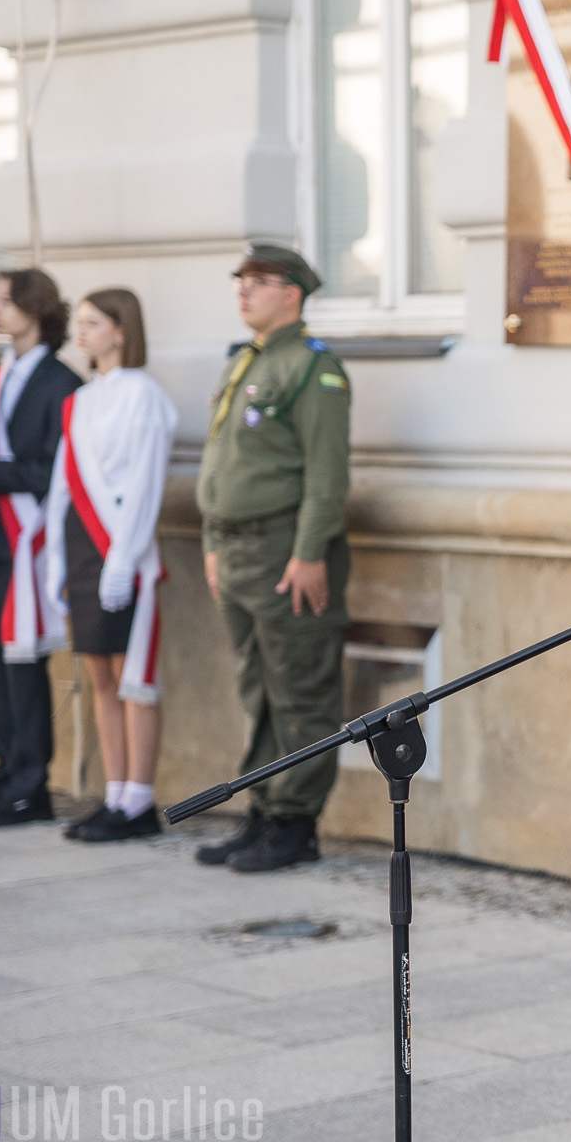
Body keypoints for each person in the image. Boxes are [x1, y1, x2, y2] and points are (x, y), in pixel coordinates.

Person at [192, 245, 352, 874]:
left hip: (283, 549)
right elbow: (220, 468)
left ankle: (295, 822)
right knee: (257, 686)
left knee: (300, 688)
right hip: (235, 548)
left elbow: (326, 474)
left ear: (292, 293)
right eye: (241, 281)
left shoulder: (313, 369)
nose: (243, 292)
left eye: (258, 282)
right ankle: (263, 805)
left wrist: (310, 553)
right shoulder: (248, 363)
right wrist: (210, 544)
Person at [45, 288, 177, 842]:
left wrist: (123, 558)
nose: (83, 332)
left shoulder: (142, 395)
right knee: (99, 674)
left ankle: (139, 800)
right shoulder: (83, 397)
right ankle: (114, 791)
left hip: (121, 546)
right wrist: (53, 560)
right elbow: (60, 485)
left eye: (94, 322)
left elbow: (146, 480)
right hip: (80, 546)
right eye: (80, 322)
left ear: (121, 330)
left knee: (132, 677)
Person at [0, 268, 84, 826]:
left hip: (31, 542)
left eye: (8, 301)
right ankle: (4, 767)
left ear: (37, 308)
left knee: (24, 665)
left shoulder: (61, 383)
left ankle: (33, 782)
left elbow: (51, 470)